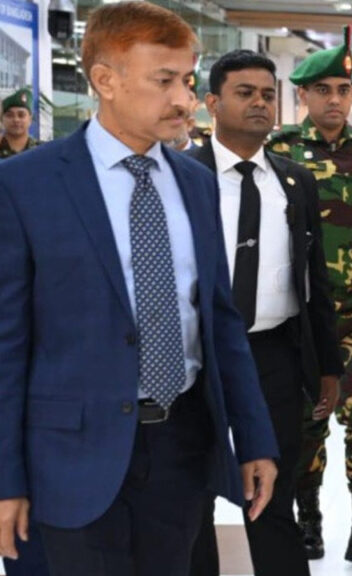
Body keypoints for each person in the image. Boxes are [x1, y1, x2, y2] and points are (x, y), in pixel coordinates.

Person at [0, 3, 280, 576]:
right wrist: (6, 478)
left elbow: (220, 321)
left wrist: (254, 438)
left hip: (180, 450)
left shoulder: (196, 184)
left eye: (187, 80)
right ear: (105, 80)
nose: (184, 99)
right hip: (68, 460)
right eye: (164, 80)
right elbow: (6, 344)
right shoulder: (25, 185)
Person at [185, 50, 343, 576]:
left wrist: (327, 365)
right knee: (192, 493)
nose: (259, 103)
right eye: (245, 93)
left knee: (273, 490)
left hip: (273, 354)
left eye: (268, 95)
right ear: (212, 103)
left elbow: (314, 279)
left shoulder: (294, 181)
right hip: (197, 356)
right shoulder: (184, 175)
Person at [268, 26, 352, 566]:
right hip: (301, 316)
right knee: (307, 426)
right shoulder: (279, 151)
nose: (334, 100)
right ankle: (309, 524)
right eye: (322, 90)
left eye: (343, 90)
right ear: (303, 94)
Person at [0, 88, 42, 159]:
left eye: (21, 115)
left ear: (30, 119)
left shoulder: (42, 150)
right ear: (1, 119)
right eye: (9, 115)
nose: (16, 120)